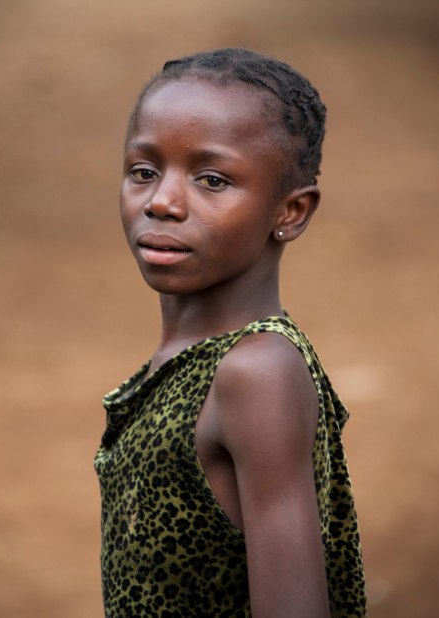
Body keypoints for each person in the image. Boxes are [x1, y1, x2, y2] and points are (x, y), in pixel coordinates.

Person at [94, 48, 366, 617]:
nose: (162, 202)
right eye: (143, 171)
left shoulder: (255, 371)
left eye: (212, 180)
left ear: (290, 212)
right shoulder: (198, 358)